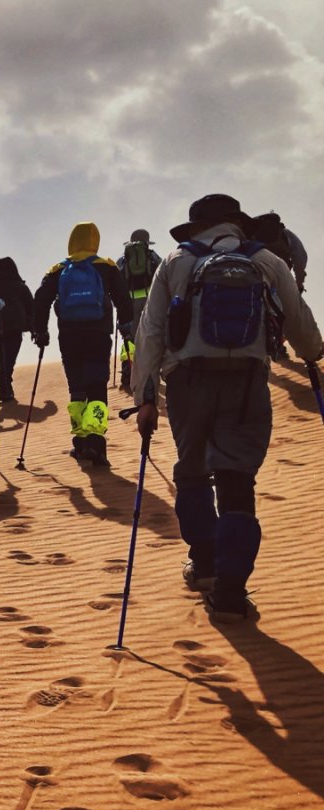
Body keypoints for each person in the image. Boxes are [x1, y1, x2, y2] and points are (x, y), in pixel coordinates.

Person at [132, 194, 324, 622]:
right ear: (237, 223)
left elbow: (151, 333)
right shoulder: (265, 259)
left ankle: (203, 564)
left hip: (187, 379)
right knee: (237, 479)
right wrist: (313, 352)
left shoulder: (176, 261)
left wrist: (145, 397)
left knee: (194, 469)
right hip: (248, 381)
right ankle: (232, 592)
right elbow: (300, 322)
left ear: (195, 226)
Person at [33, 222, 132, 467]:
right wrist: (127, 327)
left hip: (68, 336)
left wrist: (40, 330)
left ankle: (80, 442)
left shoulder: (58, 269)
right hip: (98, 334)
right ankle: (96, 445)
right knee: (97, 387)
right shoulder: (106, 266)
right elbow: (124, 300)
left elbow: (40, 299)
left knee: (77, 389)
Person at [116, 229, 163, 390]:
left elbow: (116, 281)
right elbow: (162, 275)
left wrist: (118, 304)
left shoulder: (123, 259)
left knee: (129, 337)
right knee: (151, 335)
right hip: (149, 299)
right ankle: (152, 374)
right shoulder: (152, 256)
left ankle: (128, 374)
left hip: (129, 302)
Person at [0, 257, 33, 403]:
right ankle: (4, 386)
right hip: (15, 328)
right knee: (9, 359)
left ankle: (4, 387)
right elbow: (32, 309)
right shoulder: (21, 287)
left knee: (3, 358)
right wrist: (35, 329)